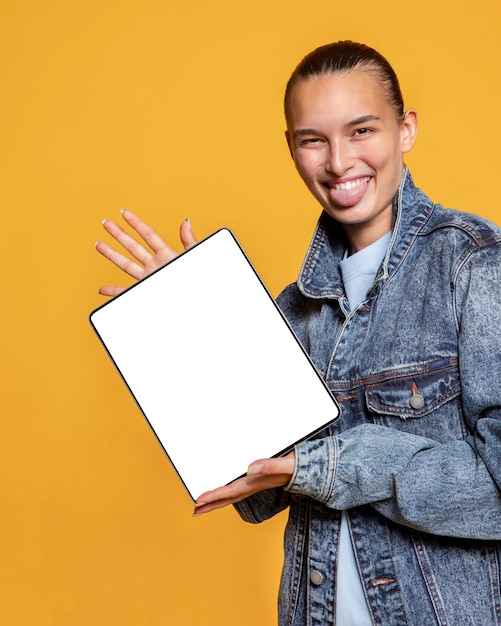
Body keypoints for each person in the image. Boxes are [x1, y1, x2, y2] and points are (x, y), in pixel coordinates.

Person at [95, 41, 501, 625]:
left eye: (361, 130)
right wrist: (197, 333)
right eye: (313, 140)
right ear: (292, 149)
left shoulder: (474, 265)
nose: (338, 162)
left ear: (405, 129)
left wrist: (327, 466)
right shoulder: (291, 312)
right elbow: (256, 494)